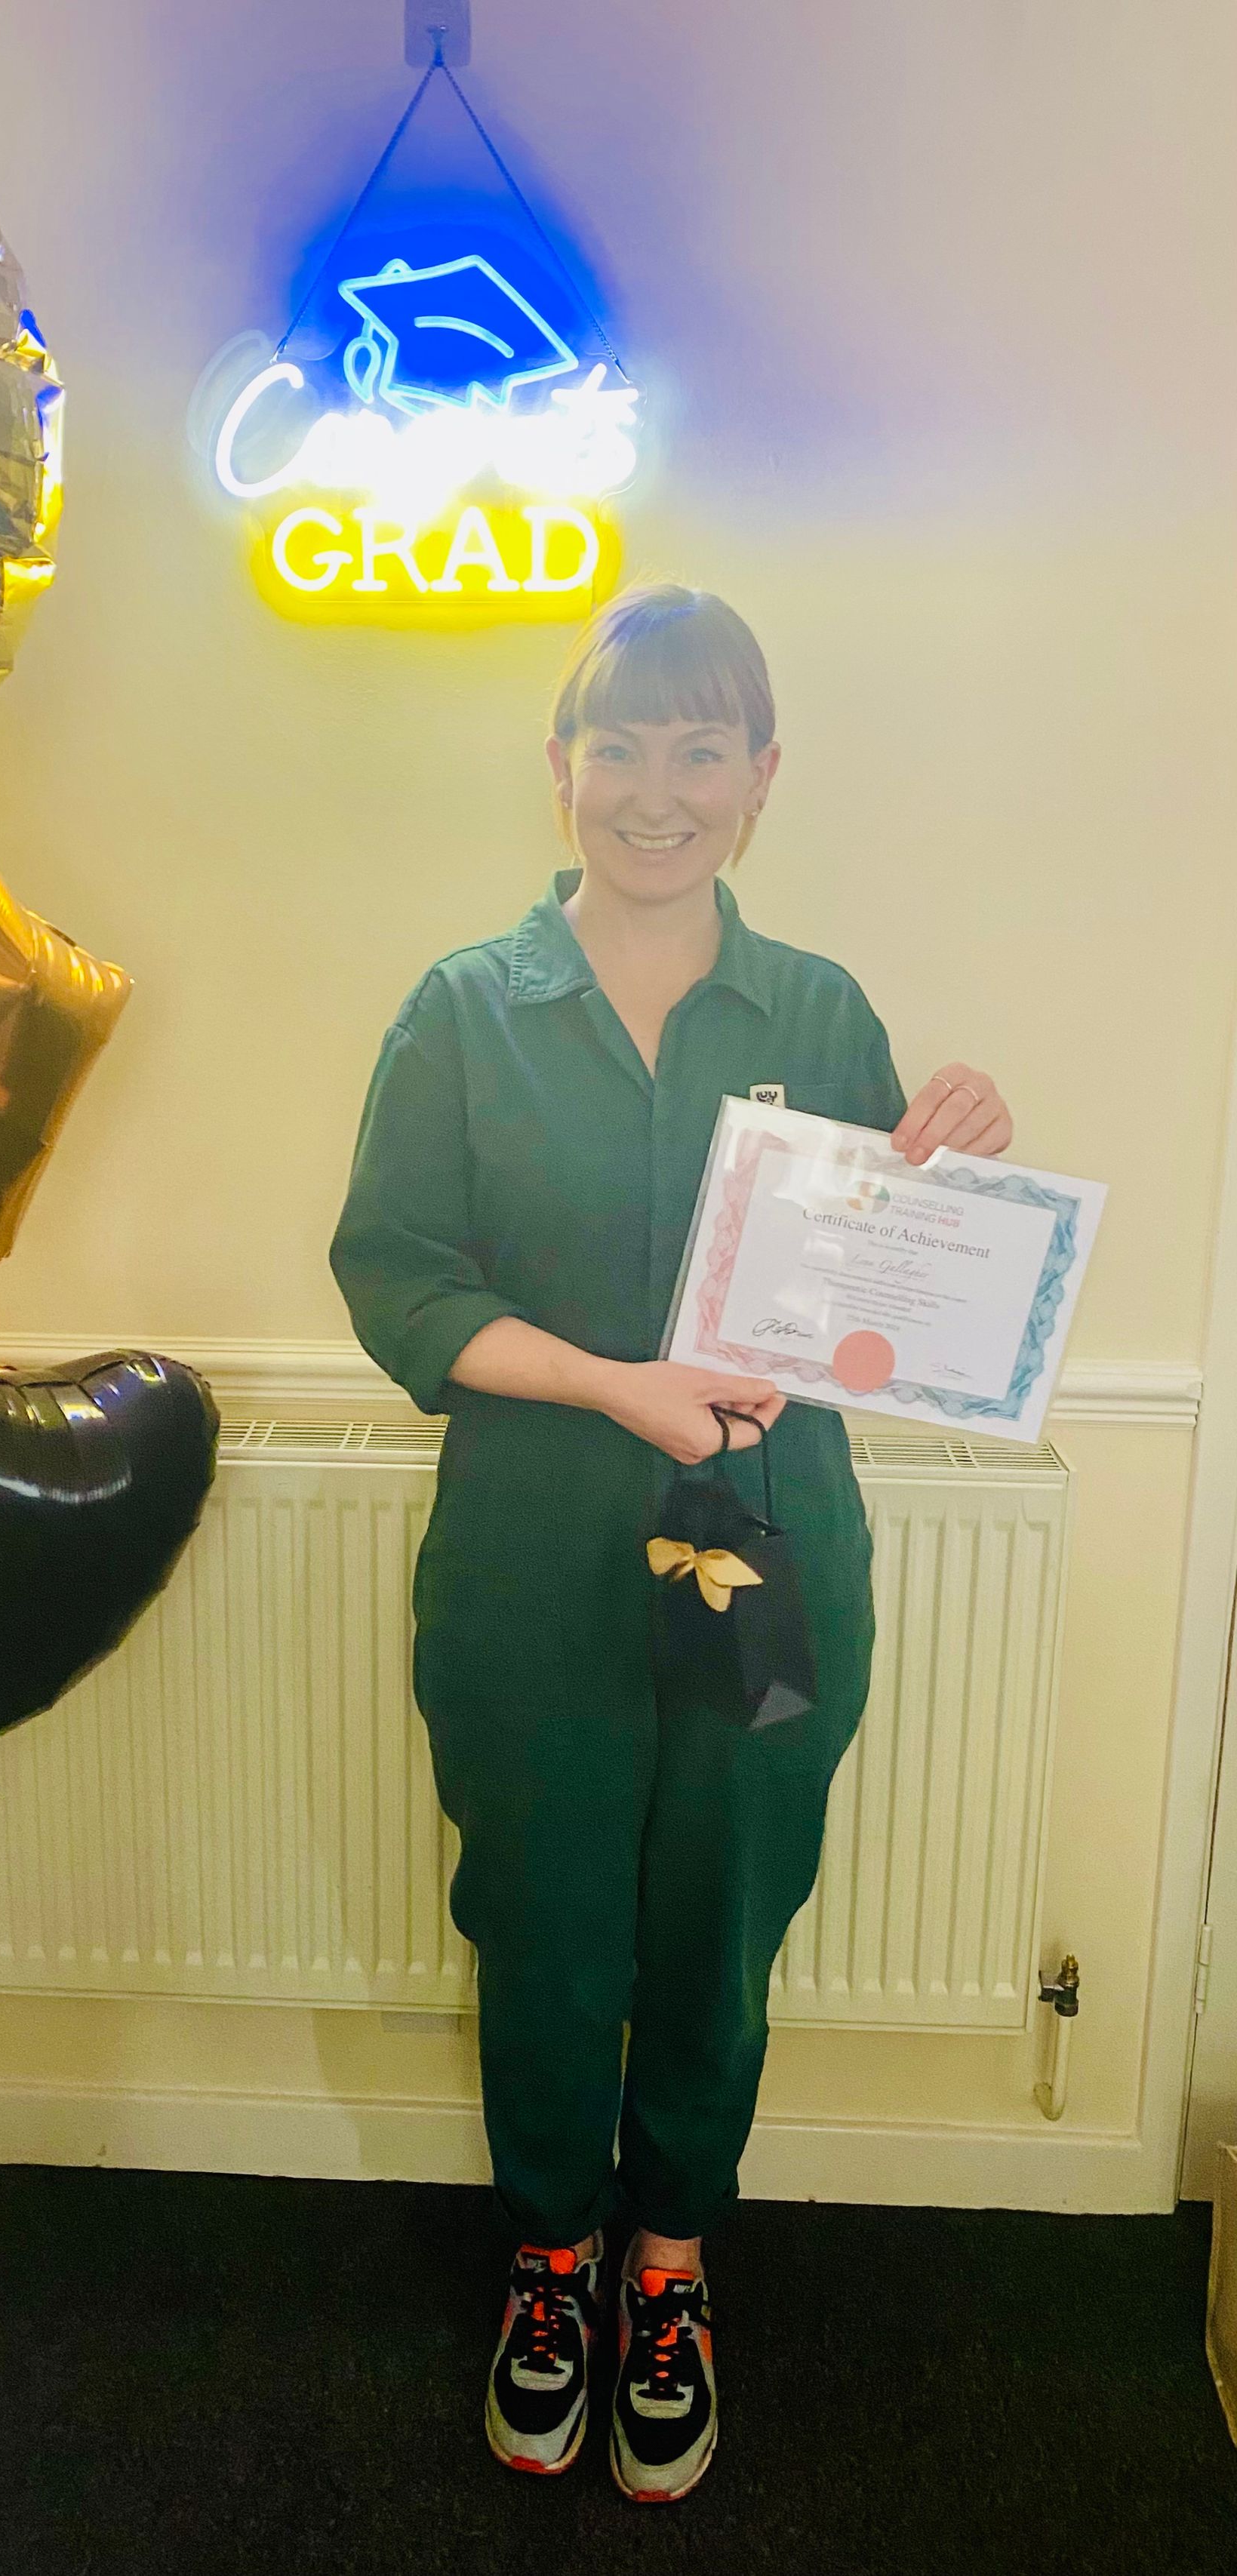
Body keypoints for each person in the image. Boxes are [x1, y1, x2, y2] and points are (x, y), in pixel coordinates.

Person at [329, 583, 1013, 2504]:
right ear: (561, 771)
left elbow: (900, 1287)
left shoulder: (815, 1012)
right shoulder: (463, 1009)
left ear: (761, 778)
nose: (657, 789)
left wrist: (954, 1160)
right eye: (618, 745)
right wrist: (619, 1384)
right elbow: (396, 1280)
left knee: (720, 1920)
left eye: (701, 746)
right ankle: (552, 2266)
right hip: (530, 1563)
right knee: (543, 1928)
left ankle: (675, 2263)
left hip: (765, 1558)